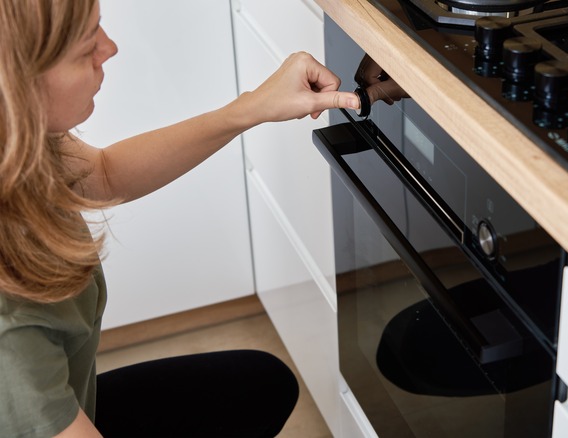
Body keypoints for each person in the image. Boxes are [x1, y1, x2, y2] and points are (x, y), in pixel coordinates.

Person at [0, 0, 360, 436]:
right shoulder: (10, 337)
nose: (110, 48)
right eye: (85, 49)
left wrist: (251, 107)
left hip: (76, 403)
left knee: (258, 385)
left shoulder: (18, 147)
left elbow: (104, 174)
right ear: (18, 86)